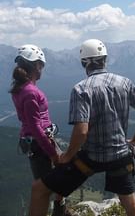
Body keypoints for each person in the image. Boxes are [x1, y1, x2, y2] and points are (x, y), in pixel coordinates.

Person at [29, 39, 135, 216]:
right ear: (105, 59)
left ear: (83, 63)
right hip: (120, 156)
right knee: (129, 201)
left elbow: (82, 131)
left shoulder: (81, 89)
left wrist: (67, 156)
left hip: (90, 158)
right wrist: (134, 141)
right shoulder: (124, 82)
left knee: (39, 189)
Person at [9, 44, 70, 216]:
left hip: (37, 141)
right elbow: (36, 127)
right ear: (37, 66)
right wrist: (52, 153)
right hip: (39, 142)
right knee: (44, 188)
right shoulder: (30, 92)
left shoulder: (23, 89)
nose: (42, 69)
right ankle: (58, 209)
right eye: (41, 65)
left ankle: (60, 208)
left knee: (59, 174)